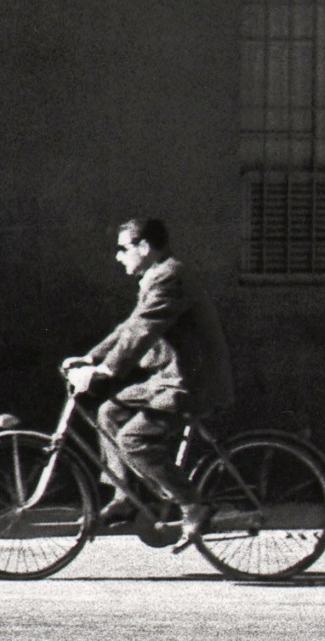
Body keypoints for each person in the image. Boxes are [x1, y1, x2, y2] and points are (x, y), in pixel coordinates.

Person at [61, 216, 233, 550]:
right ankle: (124, 496)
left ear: (144, 247)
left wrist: (109, 370)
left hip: (190, 382)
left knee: (134, 438)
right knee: (110, 411)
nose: (118, 256)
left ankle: (192, 504)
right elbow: (130, 326)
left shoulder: (170, 277)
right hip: (169, 378)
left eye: (123, 249)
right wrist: (92, 359)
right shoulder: (156, 276)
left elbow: (144, 330)